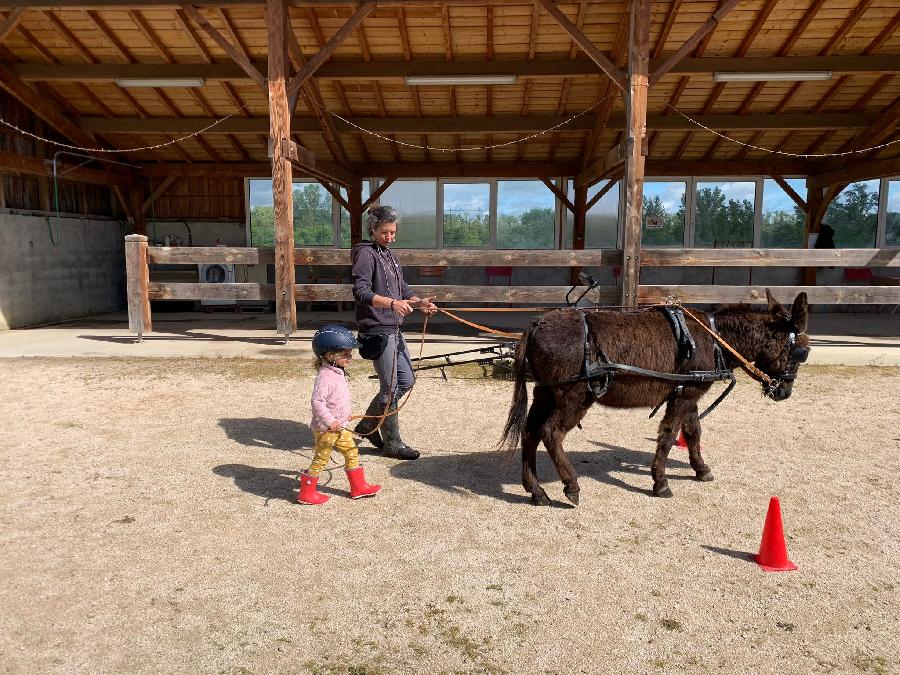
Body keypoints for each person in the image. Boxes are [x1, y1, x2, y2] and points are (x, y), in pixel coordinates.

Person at [351, 205, 438, 460]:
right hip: (377, 328)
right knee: (390, 387)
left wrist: (419, 302)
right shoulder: (365, 254)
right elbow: (360, 292)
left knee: (407, 380)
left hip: (394, 328)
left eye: (393, 232)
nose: (390, 237)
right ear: (373, 229)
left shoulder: (390, 255)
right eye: (385, 232)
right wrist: (391, 303)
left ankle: (367, 426)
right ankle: (392, 443)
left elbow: (403, 288)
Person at [298, 324, 381, 505]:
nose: (350, 357)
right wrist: (330, 421)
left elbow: (338, 400)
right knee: (321, 459)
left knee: (352, 452)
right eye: (345, 354)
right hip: (326, 430)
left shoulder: (338, 372)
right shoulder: (325, 377)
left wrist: (345, 416)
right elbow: (317, 402)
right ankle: (306, 493)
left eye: (350, 353)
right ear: (329, 355)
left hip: (340, 427)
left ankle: (358, 487)